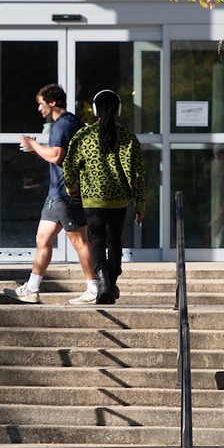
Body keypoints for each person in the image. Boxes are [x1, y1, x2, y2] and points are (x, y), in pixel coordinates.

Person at [4, 84, 99, 306]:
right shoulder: (68, 122)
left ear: (52, 103)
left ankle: (94, 288)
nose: (39, 108)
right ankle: (32, 288)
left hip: (67, 194)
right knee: (43, 239)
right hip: (56, 193)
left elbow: (57, 156)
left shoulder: (63, 124)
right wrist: (37, 149)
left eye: (41, 103)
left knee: (80, 242)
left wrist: (33, 145)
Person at [62, 89, 145, 306]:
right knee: (115, 239)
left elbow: (69, 166)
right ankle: (112, 280)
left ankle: (102, 279)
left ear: (96, 110)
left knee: (96, 239)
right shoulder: (128, 137)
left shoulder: (83, 136)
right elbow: (137, 173)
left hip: (92, 199)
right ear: (118, 109)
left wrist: (72, 189)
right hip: (119, 199)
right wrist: (140, 203)